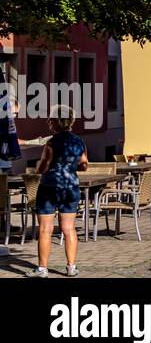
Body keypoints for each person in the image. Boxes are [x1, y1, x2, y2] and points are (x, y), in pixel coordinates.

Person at [28, 110, 87, 277]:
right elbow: (84, 165)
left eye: (50, 121)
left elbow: (43, 167)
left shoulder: (52, 143)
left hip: (50, 187)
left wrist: (38, 168)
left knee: (45, 229)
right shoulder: (79, 141)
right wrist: (70, 166)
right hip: (70, 187)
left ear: (56, 122)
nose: (49, 124)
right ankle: (71, 267)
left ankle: (42, 269)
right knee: (69, 229)